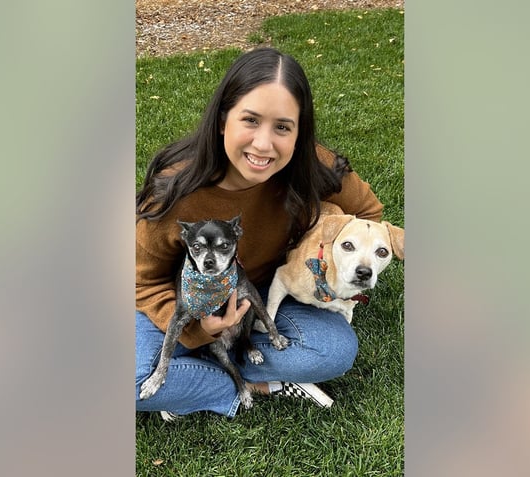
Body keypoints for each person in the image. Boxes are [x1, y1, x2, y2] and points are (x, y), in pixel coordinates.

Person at [135, 47, 384, 419]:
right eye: (250, 120)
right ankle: (249, 381)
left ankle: (199, 384)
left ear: (299, 134)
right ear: (223, 121)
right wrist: (197, 330)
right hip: (185, 299)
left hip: (262, 292)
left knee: (333, 350)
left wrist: (326, 268)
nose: (264, 144)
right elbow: (141, 282)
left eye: (283, 127)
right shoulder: (173, 191)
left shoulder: (315, 167)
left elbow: (368, 216)